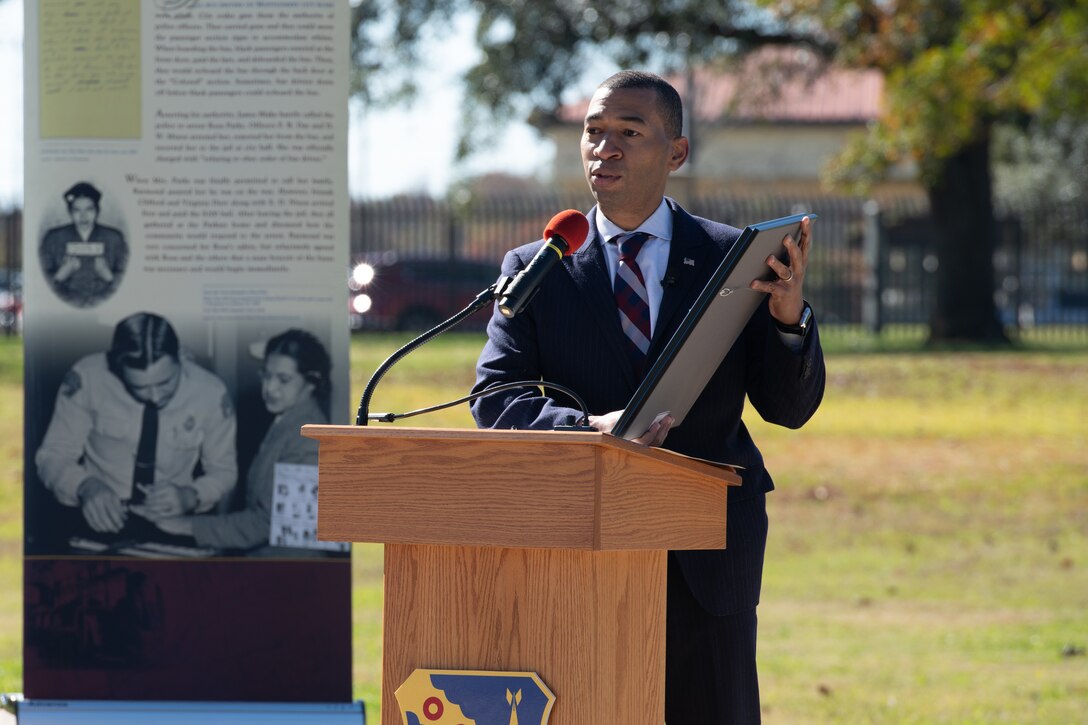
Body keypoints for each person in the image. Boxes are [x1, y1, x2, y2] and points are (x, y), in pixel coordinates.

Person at [471, 71, 826, 724]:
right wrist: (587, 428)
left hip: (706, 554)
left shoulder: (734, 256)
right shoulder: (536, 266)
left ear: (676, 153)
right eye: (594, 131)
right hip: (585, 542)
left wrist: (786, 319)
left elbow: (788, 408)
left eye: (629, 132)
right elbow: (496, 394)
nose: (605, 147)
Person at [36, 312, 237, 539]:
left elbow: (224, 471)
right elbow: (52, 455)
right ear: (116, 367)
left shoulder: (211, 393)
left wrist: (192, 496)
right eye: (139, 387)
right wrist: (84, 487)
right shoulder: (87, 378)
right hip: (97, 519)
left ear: (180, 356)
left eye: (165, 382)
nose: (154, 397)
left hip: (175, 523)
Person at [151, 329, 331, 554]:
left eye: (283, 380)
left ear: (312, 383)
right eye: (266, 375)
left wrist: (186, 525)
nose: (270, 388)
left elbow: (269, 522)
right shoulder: (287, 423)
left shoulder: (309, 439)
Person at [39, 182, 129, 307]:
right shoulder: (53, 238)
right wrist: (59, 276)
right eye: (77, 210)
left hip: (107, 304)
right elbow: (38, 279)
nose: (83, 216)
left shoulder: (114, 238)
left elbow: (128, 277)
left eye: (89, 209)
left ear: (97, 211)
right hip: (62, 305)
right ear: (70, 212)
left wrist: (109, 277)